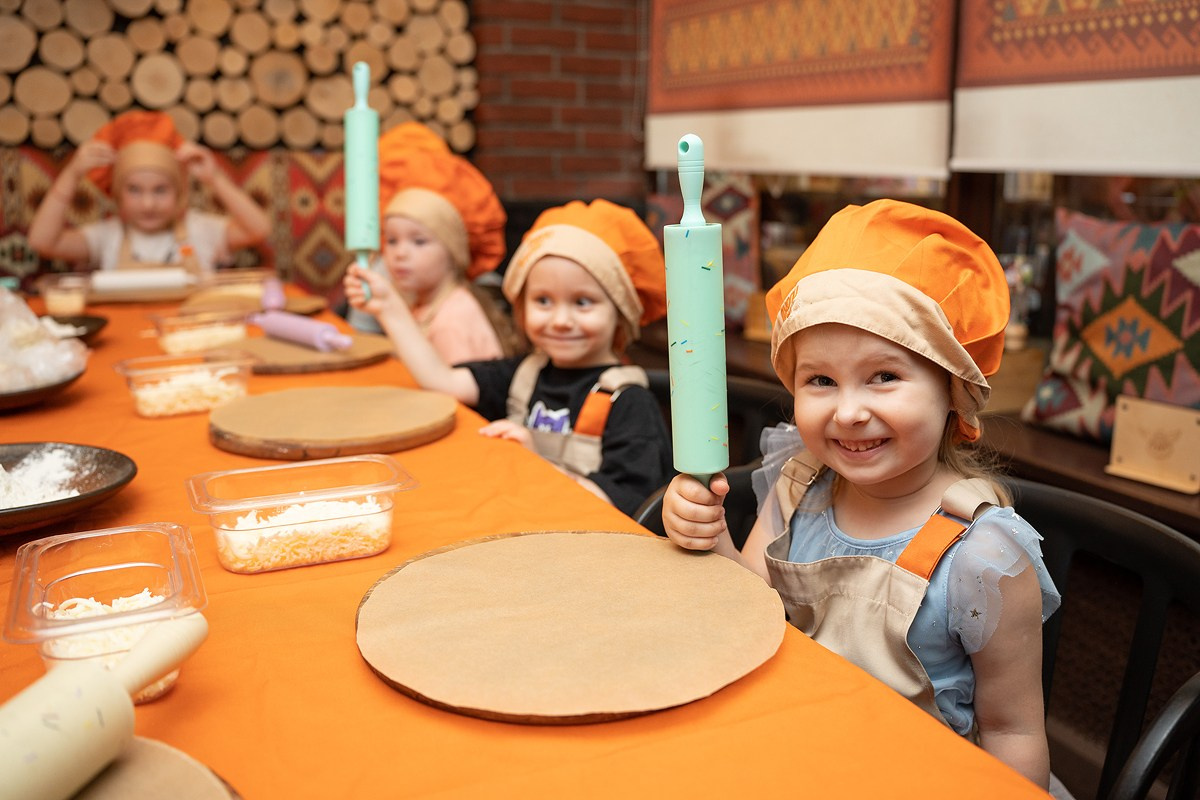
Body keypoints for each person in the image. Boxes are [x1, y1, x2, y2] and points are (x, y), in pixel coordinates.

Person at [661, 200, 1061, 789]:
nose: (849, 411)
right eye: (820, 380)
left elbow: (1013, 735)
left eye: (884, 376)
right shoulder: (798, 487)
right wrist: (708, 532)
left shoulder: (984, 557)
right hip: (800, 754)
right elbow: (749, 611)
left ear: (953, 391)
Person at [345, 198, 672, 517]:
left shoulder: (627, 403)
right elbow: (441, 381)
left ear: (620, 314)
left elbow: (627, 508)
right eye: (543, 300)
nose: (560, 320)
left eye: (583, 302)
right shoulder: (521, 374)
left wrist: (537, 465)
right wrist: (389, 308)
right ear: (521, 306)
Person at [343, 122, 517, 363]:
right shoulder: (422, 302)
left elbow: (456, 392)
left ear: (452, 250)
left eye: (419, 241)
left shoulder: (452, 321)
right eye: (391, 241)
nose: (399, 253)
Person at [27, 110, 269, 276]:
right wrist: (72, 175)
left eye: (161, 190)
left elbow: (260, 229)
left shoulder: (201, 229)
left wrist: (215, 179)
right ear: (117, 194)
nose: (148, 204)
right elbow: (41, 241)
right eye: (134, 190)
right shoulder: (106, 237)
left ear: (180, 192)